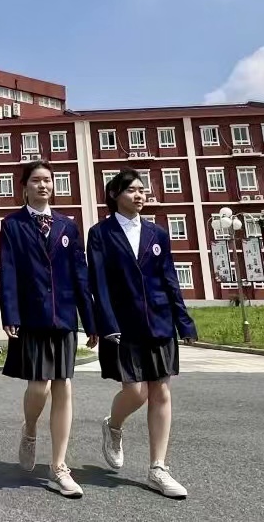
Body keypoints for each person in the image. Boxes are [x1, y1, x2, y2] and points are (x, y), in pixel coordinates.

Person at [87, 168, 197, 499]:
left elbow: (169, 278)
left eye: (142, 189)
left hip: (160, 321)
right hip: (123, 325)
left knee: (161, 390)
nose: (140, 195)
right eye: (132, 190)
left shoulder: (157, 233)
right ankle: (113, 425)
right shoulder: (100, 233)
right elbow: (98, 282)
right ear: (114, 195)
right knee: (136, 392)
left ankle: (158, 468)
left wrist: (183, 321)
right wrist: (106, 323)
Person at [0, 160, 97, 498]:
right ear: (25, 186)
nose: (43, 185)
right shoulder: (12, 225)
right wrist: (10, 313)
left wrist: (89, 320)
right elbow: (8, 271)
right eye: (36, 180)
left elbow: (80, 275)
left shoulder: (68, 226)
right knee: (39, 387)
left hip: (64, 316)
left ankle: (58, 466)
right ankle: (29, 429)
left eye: (48, 180)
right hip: (32, 316)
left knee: (63, 385)